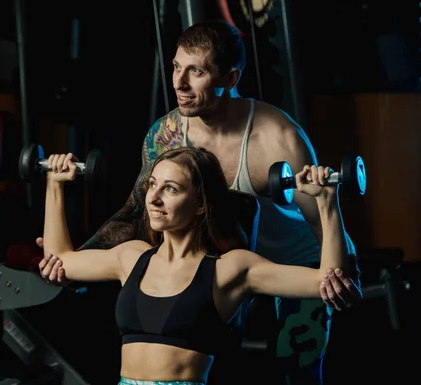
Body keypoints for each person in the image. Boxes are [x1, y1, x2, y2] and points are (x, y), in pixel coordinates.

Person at [38, 19, 362, 384]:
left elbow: (320, 219)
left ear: (230, 79)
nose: (179, 83)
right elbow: (135, 210)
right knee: (221, 361)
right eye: (177, 67)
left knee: (296, 369)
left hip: (293, 258)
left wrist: (341, 272)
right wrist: (73, 262)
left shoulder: (277, 137)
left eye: (196, 71)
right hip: (225, 257)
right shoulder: (166, 134)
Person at [42, 146, 352, 385]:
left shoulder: (229, 269)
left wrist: (327, 203)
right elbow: (61, 259)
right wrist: (54, 184)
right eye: (152, 185)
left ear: (200, 203)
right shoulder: (131, 257)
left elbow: (326, 282)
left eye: (171, 189)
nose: (153, 199)